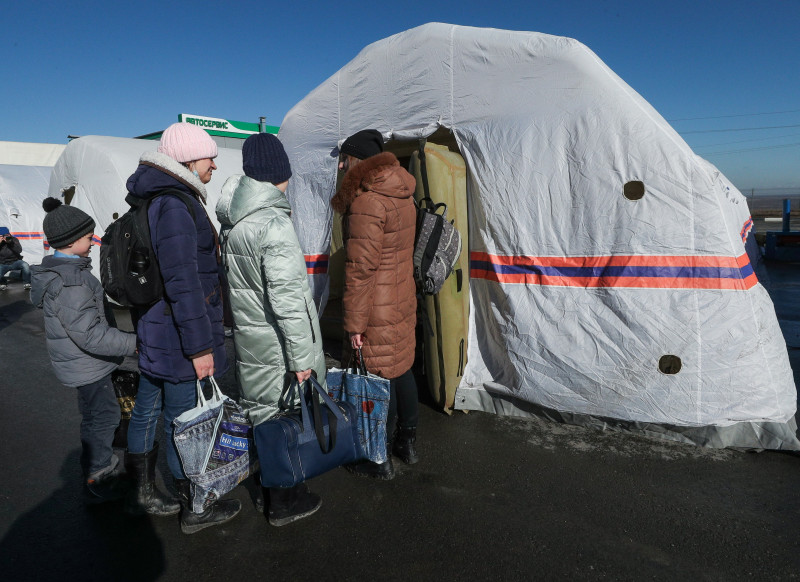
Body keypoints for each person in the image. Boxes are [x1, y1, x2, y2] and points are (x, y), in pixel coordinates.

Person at [124, 122, 238, 534]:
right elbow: (183, 281)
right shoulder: (174, 203)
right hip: (177, 335)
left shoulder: (156, 198)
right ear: (188, 159)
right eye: (209, 155)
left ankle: (139, 491)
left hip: (156, 329)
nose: (215, 161)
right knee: (184, 422)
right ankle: (196, 506)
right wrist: (200, 347)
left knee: (147, 408)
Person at [216, 132, 325, 526]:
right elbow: (289, 302)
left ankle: (266, 493)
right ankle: (284, 501)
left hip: (251, 339)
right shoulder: (273, 224)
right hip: (279, 346)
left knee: (261, 414)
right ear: (278, 174)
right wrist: (302, 360)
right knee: (285, 417)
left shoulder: (236, 222)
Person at [30, 198, 137, 501]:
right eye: (89, 237)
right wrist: (134, 342)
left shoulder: (66, 274)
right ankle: (100, 475)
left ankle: (94, 469)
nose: (93, 242)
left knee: (94, 416)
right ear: (72, 241)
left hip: (82, 364)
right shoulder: (71, 282)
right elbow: (90, 336)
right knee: (103, 417)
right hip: (89, 365)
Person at [331, 129, 420, 480]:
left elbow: (360, 269)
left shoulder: (367, 201)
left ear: (357, 161)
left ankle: (378, 459)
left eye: (345, 158)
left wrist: (354, 325)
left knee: (377, 378)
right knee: (401, 368)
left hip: (375, 306)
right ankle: (407, 445)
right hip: (400, 296)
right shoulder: (403, 192)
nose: (341, 164)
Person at [0, 226, 31, 291]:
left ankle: (27, 283)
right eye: (2, 236)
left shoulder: (14, 240)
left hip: (15, 261)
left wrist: (11, 243)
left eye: (7, 235)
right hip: (3, 263)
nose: (5, 237)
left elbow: (19, 250)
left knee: (25, 265)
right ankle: (3, 282)